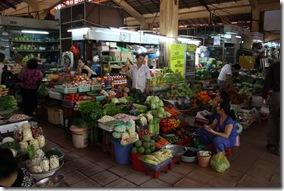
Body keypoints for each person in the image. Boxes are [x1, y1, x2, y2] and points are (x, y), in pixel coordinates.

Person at [262, 61, 280, 155]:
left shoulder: (275, 66)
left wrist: (264, 96)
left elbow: (267, 82)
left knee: (273, 119)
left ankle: (272, 143)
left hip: (278, 95)